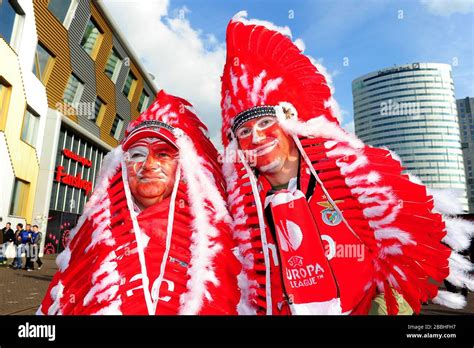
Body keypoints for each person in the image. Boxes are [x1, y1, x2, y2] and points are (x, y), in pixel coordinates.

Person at [219, 13, 473, 315]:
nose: (257, 136)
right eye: (244, 131)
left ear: (291, 122)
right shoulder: (236, 208)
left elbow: (400, 251)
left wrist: (389, 302)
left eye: (265, 121)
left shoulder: (355, 181)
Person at [38, 90, 240, 315]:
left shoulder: (215, 240)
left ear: (183, 167)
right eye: (136, 155)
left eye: (163, 154)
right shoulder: (92, 237)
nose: (149, 165)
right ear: (121, 167)